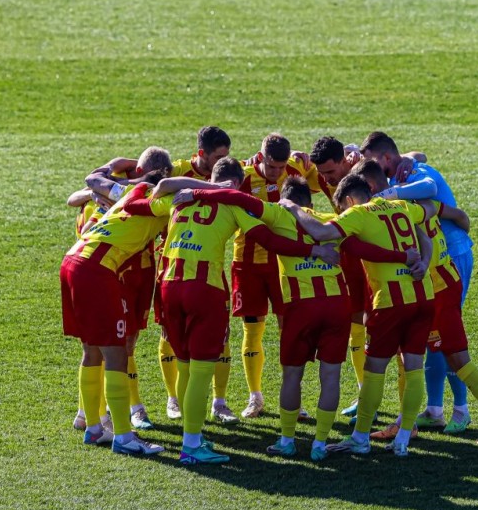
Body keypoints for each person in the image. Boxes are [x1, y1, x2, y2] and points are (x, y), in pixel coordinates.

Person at [180, 176, 420, 460]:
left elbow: (239, 199)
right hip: (336, 305)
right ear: (311, 201)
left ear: (285, 198)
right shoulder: (332, 219)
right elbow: (358, 249)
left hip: (300, 307)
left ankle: (287, 440)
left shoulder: (278, 212)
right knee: (330, 376)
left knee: (292, 375)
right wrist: (404, 257)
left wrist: (195, 192)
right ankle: (320, 443)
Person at [121, 158, 339, 464]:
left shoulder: (178, 199)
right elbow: (268, 239)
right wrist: (313, 250)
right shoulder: (234, 206)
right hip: (204, 287)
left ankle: (190, 434)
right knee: (199, 369)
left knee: (184, 365)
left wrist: (135, 187)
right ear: (235, 184)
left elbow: (134, 207)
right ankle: (192, 445)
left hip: (168, 285)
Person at [352, 158, 478, 446]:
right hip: (440, 283)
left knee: (456, 358)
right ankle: (408, 423)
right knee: (409, 356)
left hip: (437, 289)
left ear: (369, 188)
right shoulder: (411, 199)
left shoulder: (392, 209)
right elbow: (448, 211)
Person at [84, 128, 239, 424]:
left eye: (226, 157)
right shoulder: (175, 170)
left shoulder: (226, 172)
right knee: (167, 334)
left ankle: (219, 402)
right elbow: (128, 185)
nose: (223, 162)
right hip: (169, 264)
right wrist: (104, 186)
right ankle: (171, 400)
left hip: (208, 262)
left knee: (221, 334)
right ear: (201, 154)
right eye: (218, 157)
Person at [280, 173, 436, 457]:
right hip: (423, 294)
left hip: (390, 301)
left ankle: (361, 437)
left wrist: (293, 209)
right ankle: (402, 439)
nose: (342, 215)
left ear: (349, 200)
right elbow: (427, 223)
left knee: (374, 371)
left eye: (341, 209)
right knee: (414, 366)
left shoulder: (358, 213)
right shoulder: (400, 206)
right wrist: (424, 262)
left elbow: (323, 233)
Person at [59, 150, 174, 456]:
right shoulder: (157, 200)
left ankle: (93, 426)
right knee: (117, 353)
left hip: (73, 260)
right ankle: (123, 435)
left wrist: (113, 166)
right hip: (97, 270)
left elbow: (93, 179)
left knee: (92, 350)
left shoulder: (125, 191)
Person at [361, 131, 474, 433]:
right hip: (432, 264)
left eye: (372, 163)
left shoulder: (413, 177)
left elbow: (429, 185)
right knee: (432, 338)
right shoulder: (404, 169)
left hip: (450, 260)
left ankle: (461, 409)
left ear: (386, 158)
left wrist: (387, 195)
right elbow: (418, 154)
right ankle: (435, 409)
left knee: (448, 338)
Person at [232, 133, 317, 419]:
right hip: (248, 263)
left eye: (282, 168)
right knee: (252, 329)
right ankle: (254, 396)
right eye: (272, 168)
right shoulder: (242, 177)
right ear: (260, 157)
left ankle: (293, 398)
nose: (278, 173)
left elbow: (318, 177)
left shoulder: (296, 169)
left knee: (288, 329)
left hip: (285, 264)